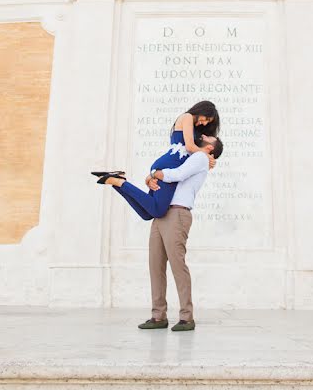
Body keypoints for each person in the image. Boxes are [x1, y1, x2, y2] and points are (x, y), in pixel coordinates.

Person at [100, 134, 223, 332]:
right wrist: (151, 177)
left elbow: (177, 175)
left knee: (177, 265)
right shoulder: (192, 156)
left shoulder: (200, 158)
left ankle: (186, 317)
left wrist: (155, 173)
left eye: (209, 137)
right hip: (162, 212)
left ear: (210, 149)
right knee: (155, 265)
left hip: (178, 214)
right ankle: (158, 316)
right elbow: (169, 173)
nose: (203, 135)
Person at [92, 101, 220, 220]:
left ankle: (117, 182)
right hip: (170, 166)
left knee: (147, 214)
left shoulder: (194, 128)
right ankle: (121, 182)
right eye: (206, 119)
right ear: (203, 110)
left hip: (167, 166)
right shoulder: (187, 117)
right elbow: (189, 147)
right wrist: (206, 155)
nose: (205, 123)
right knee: (158, 211)